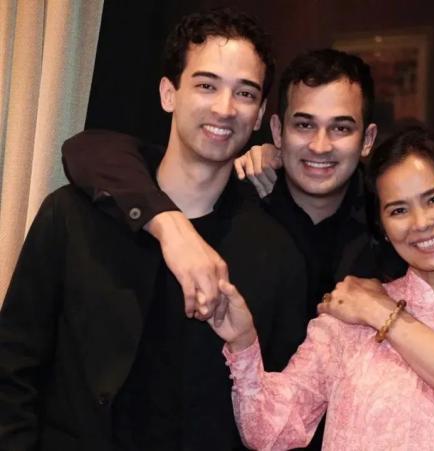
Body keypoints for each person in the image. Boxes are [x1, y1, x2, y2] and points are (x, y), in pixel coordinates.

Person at [61, 50, 434, 366]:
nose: (319, 146)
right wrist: (172, 228)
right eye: (303, 126)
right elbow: (90, 150)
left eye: (340, 128)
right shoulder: (237, 197)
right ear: (276, 130)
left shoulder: (398, 225)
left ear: (367, 139)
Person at [0, 8, 306, 450]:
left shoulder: (276, 256)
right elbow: (13, 369)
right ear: (168, 93)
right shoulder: (71, 216)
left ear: (259, 115)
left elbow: (277, 411)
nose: (224, 108)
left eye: (244, 93)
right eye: (206, 85)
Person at [208, 127, 434, 450]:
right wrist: (243, 343)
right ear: (382, 226)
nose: (422, 223)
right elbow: (269, 433)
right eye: (399, 210)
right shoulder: (345, 321)